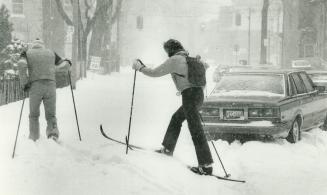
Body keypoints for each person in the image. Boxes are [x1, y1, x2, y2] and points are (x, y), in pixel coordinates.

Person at [132, 39, 213, 175]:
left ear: (170, 49)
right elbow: (205, 66)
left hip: (189, 96)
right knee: (176, 118)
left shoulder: (175, 60)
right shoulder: (190, 59)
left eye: (166, 51)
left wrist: (140, 67)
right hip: (198, 95)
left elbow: (154, 73)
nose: (166, 54)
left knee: (196, 130)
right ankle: (168, 148)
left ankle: (206, 166)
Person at [18, 39, 70, 141]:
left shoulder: (26, 53)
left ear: (33, 46)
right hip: (50, 86)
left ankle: (34, 137)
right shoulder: (51, 53)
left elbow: (21, 65)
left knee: (34, 114)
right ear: (43, 46)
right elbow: (64, 65)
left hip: (35, 86)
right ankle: (53, 133)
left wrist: (24, 83)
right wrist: (68, 62)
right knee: (51, 114)